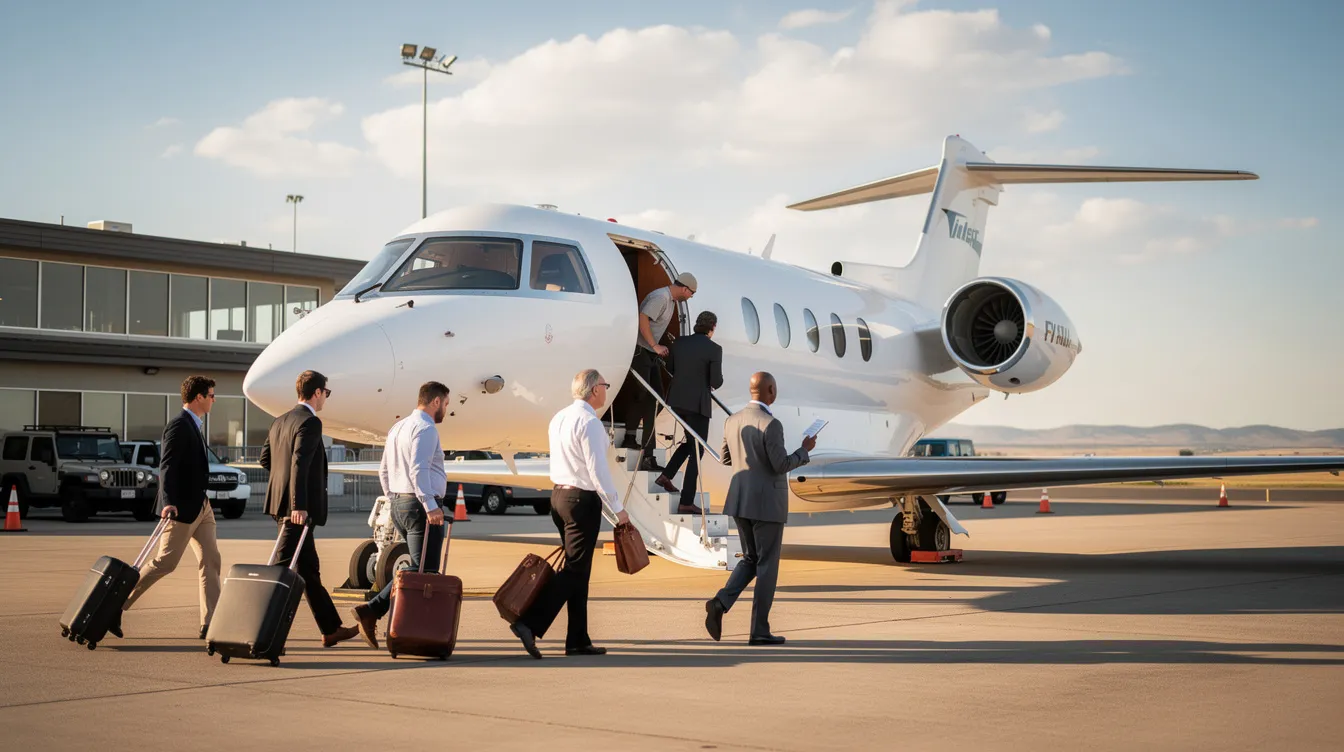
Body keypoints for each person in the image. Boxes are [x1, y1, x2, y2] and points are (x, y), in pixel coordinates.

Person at [510, 369, 631, 659]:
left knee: (580, 571)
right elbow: (597, 470)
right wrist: (618, 508)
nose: (607, 389)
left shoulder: (560, 417)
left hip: (560, 496)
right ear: (593, 390)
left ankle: (578, 639)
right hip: (581, 499)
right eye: (604, 385)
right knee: (575, 570)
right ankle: (528, 622)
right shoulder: (590, 423)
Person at [704, 372, 815, 646]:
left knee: (751, 559)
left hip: (740, 501)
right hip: (767, 505)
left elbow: (726, 458)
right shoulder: (771, 424)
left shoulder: (732, 420)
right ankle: (759, 631)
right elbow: (780, 465)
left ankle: (720, 603)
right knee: (766, 566)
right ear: (770, 391)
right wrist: (804, 450)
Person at [260, 370, 360, 648]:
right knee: (280, 570)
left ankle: (331, 628)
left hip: (279, 505)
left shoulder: (279, 421)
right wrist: (298, 505)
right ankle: (257, 625)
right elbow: (299, 463)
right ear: (317, 392)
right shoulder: (310, 422)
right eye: (326, 393)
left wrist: (283, 488)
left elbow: (266, 459)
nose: (325, 397)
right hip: (297, 511)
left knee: (309, 571)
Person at [118, 375, 223, 640]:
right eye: (211, 395)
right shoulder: (179, 425)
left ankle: (212, 622)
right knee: (165, 562)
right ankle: (115, 605)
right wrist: (168, 502)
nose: (214, 400)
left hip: (202, 506)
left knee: (211, 561)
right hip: (183, 508)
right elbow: (167, 466)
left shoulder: (194, 425)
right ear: (198, 397)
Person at [349, 381, 451, 649]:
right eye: (446, 404)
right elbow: (418, 470)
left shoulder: (398, 427)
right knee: (422, 572)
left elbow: (384, 469)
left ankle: (396, 623)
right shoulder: (426, 428)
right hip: (419, 506)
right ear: (436, 401)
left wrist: (394, 498)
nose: (446, 411)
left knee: (416, 569)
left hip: (399, 503)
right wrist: (430, 505)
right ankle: (377, 614)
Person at [619, 271, 698, 470]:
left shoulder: (670, 301)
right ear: (684, 288)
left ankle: (645, 450)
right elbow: (643, 318)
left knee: (657, 400)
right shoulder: (660, 297)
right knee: (644, 396)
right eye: (691, 293)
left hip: (650, 354)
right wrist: (654, 345)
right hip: (641, 351)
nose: (690, 297)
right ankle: (634, 441)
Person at [655, 310, 723, 514]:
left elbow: (672, 368)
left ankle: (666, 475)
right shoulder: (714, 349)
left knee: (690, 443)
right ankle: (686, 500)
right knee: (698, 450)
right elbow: (715, 382)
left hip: (677, 402)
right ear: (712, 328)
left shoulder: (680, 343)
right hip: (698, 405)